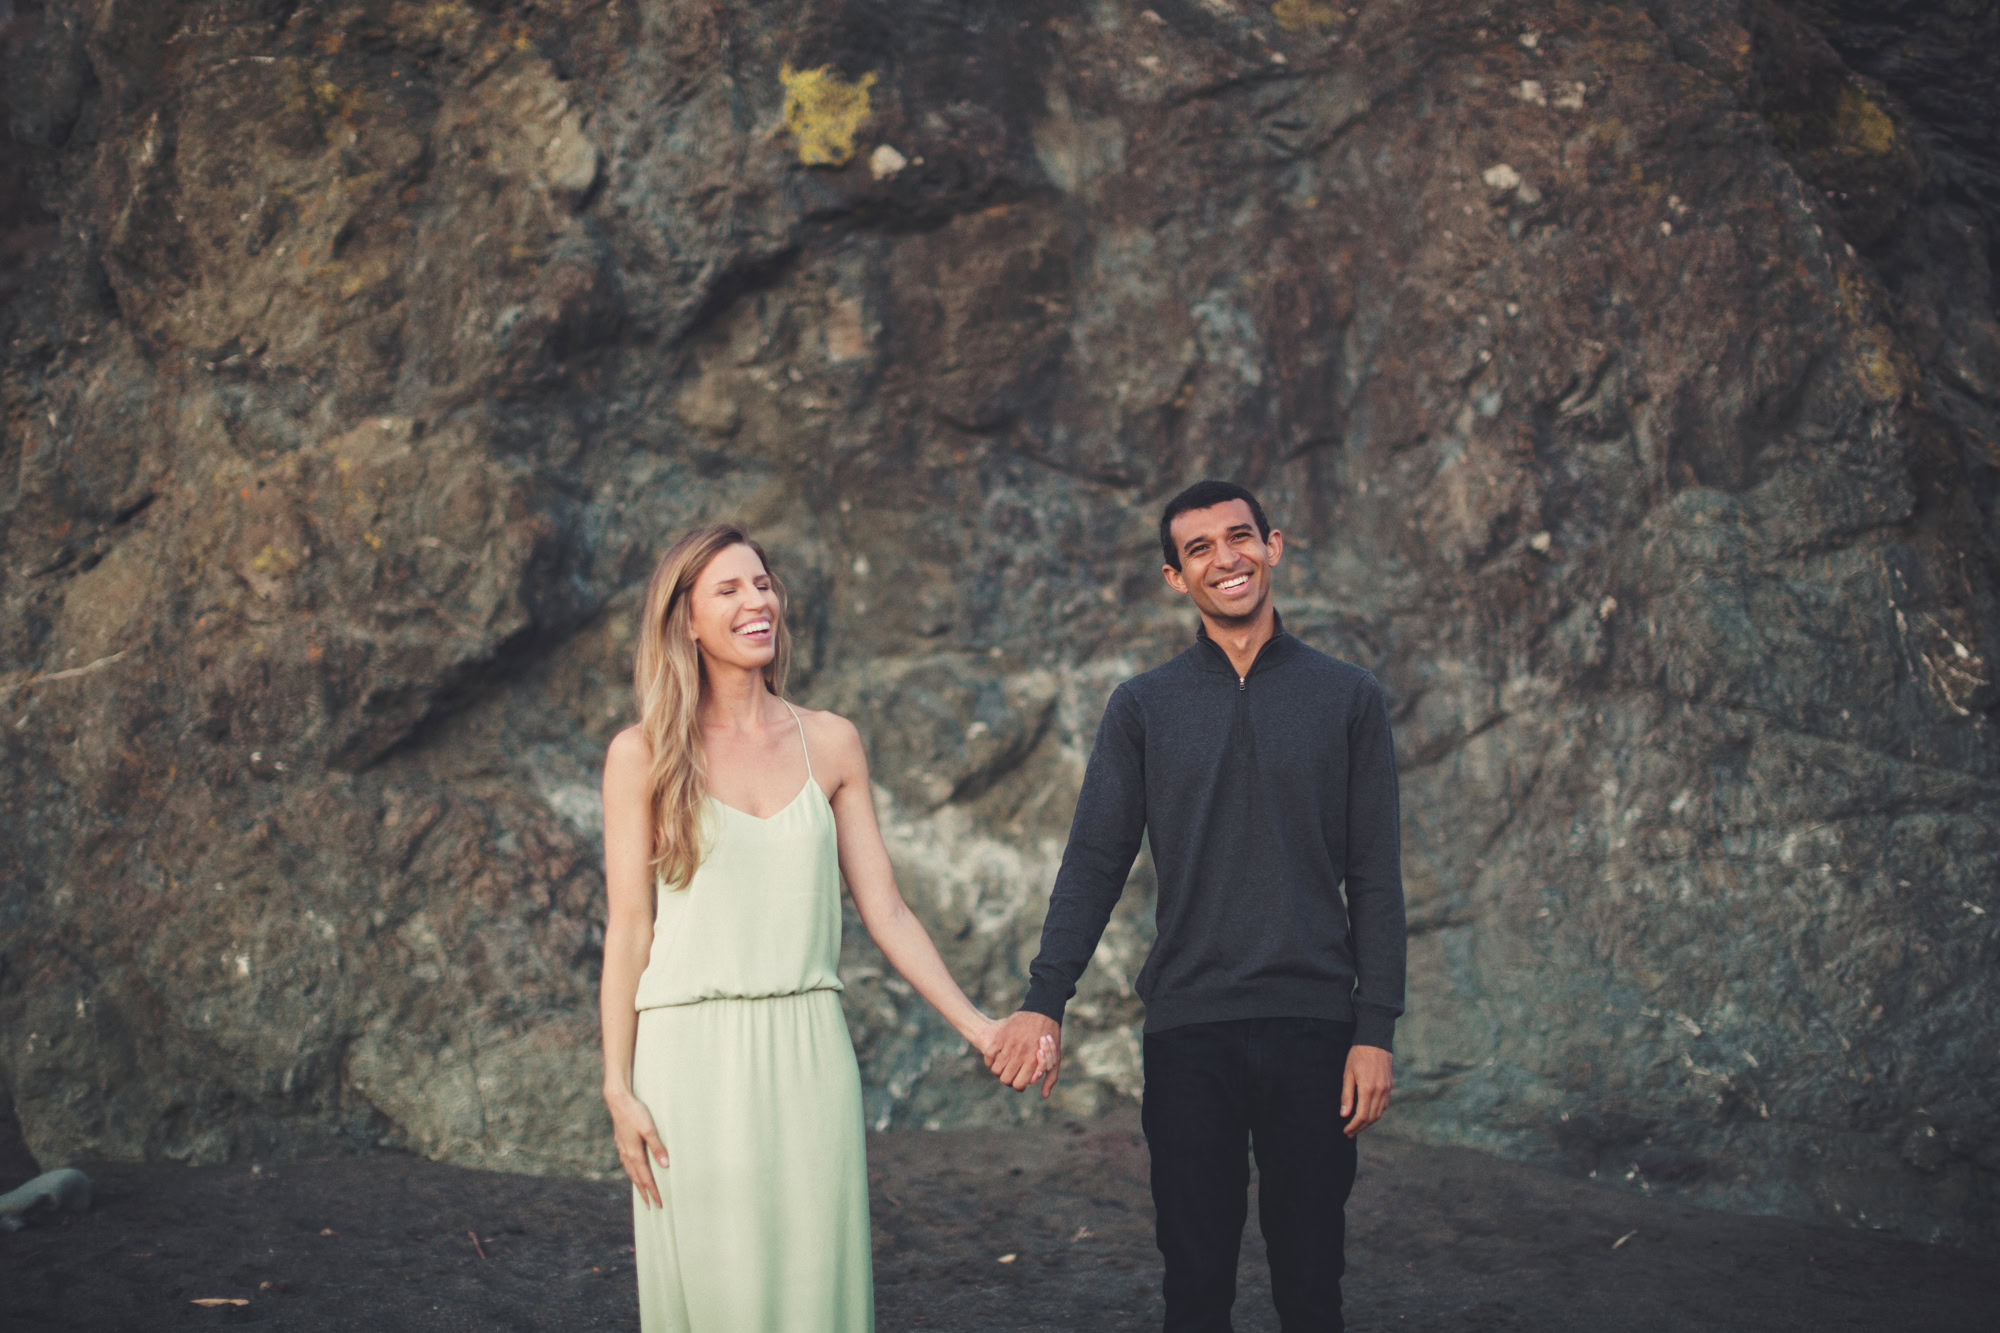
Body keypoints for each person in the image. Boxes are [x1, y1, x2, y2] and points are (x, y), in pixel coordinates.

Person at [986, 480, 1407, 1333]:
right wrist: (1044, 997)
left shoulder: (1348, 696)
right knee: (1197, 1283)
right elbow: (1096, 862)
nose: (1227, 558)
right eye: (1201, 549)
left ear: (1274, 545)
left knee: (1311, 1283)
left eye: (1239, 537)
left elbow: (1376, 874)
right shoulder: (1144, 706)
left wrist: (1376, 1030)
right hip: (1190, 1031)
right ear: (1176, 578)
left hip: (1315, 1027)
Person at [598, 522, 1034, 1332]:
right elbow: (629, 930)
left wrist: (980, 1026)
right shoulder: (643, 754)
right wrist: (618, 1087)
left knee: (813, 1288)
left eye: (762, 584)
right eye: (728, 589)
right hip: (688, 1058)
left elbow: (888, 910)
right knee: (717, 1286)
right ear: (686, 620)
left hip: (809, 1050)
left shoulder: (831, 741)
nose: (756, 600)